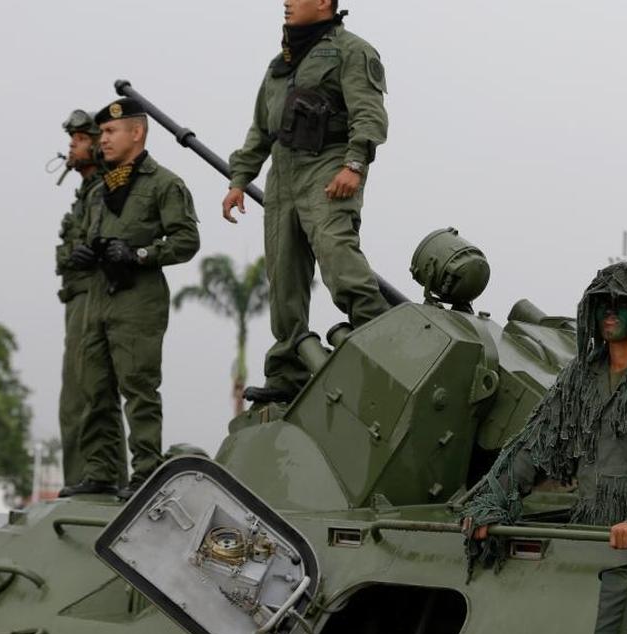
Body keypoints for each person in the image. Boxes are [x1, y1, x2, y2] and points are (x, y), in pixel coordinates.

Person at [461, 262, 627, 569]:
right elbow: (537, 439)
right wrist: (493, 500)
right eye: (602, 302)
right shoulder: (581, 373)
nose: (610, 311)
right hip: (588, 526)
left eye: (622, 303)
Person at [222, 0, 390, 404]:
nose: (286, 2)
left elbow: (368, 114)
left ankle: (382, 336)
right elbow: (262, 129)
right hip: (282, 171)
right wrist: (239, 179)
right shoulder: (280, 63)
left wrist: (353, 164)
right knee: (283, 274)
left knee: (335, 249)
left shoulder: (352, 50)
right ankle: (288, 365)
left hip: (327, 162)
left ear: (323, 3)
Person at [60, 97, 199, 500]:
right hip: (97, 296)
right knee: (93, 387)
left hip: (138, 297)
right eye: (100, 133)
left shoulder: (164, 184)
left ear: (135, 133)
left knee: (138, 389)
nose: (102, 140)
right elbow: (87, 235)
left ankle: (146, 473)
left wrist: (140, 254)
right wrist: (85, 252)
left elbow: (187, 240)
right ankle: (101, 471)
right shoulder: (102, 188)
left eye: (109, 132)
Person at [53, 109, 122, 488]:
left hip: (93, 297)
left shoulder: (108, 190)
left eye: (80, 139)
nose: (72, 146)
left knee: (88, 397)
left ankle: (95, 482)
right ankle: (87, 480)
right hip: (77, 297)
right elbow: (64, 255)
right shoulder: (86, 196)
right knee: (79, 397)